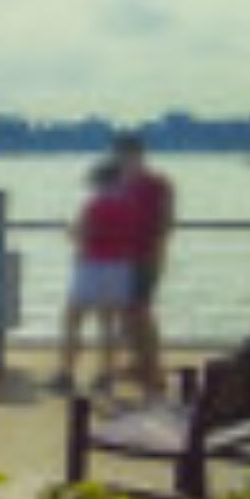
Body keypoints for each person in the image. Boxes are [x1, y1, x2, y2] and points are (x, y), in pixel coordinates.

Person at [56, 158, 146, 393]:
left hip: (92, 267)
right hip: (121, 268)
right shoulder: (131, 207)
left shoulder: (95, 205)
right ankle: (105, 376)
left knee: (73, 320)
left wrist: (70, 230)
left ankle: (66, 373)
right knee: (107, 325)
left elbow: (81, 234)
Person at [110, 129, 178, 394]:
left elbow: (165, 222)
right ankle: (141, 363)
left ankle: (153, 370)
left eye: (125, 155)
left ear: (137, 155)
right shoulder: (122, 185)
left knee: (141, 313)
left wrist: (156, 253)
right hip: (124, 258)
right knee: (127, 315)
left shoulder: (157, 185)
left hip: (144, 257)